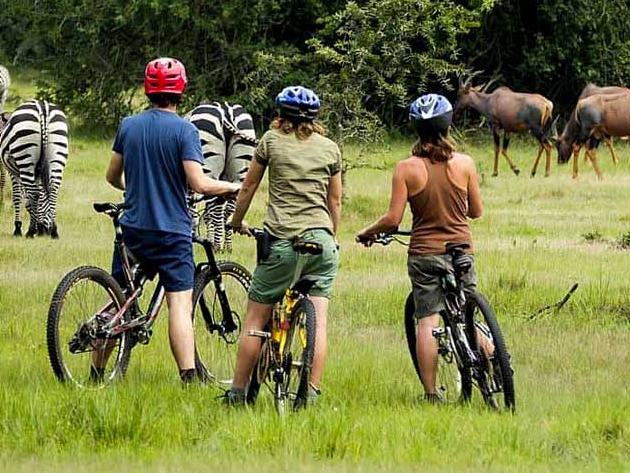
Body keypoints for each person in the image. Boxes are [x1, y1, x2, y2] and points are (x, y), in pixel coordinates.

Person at [105, 57, 242, 384]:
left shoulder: (128, 126)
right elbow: (199, 183)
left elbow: (112, 176)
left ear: (147, 90)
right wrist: (232, 187)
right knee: (179, 304)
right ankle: (188, 375)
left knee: (117, 298)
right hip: (171, 233)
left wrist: (137, 187)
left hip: (133, 229)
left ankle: (98, 372)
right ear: (180, 90)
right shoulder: (185, 130)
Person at [355, 93, 484, 403]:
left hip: (425, 255)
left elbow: (392, 219)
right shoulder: (465, 163)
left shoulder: (406, 168)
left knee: (427, 321)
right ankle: (496, 362)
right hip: (461, 250)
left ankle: (430, 394)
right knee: (468, 313)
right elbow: (476, 212)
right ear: (448, 124)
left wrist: (367, 232)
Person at [223, 86, 343, 405]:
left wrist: (236, 222)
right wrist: (333, 236)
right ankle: (312, 394)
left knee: (254, 320)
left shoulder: (271, 141)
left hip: (283, 242)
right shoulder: (330, 148)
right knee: (319, 322)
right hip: (322, 243)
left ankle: (237, 393)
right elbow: (335, 200)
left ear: (280, 114)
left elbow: (248, 187)